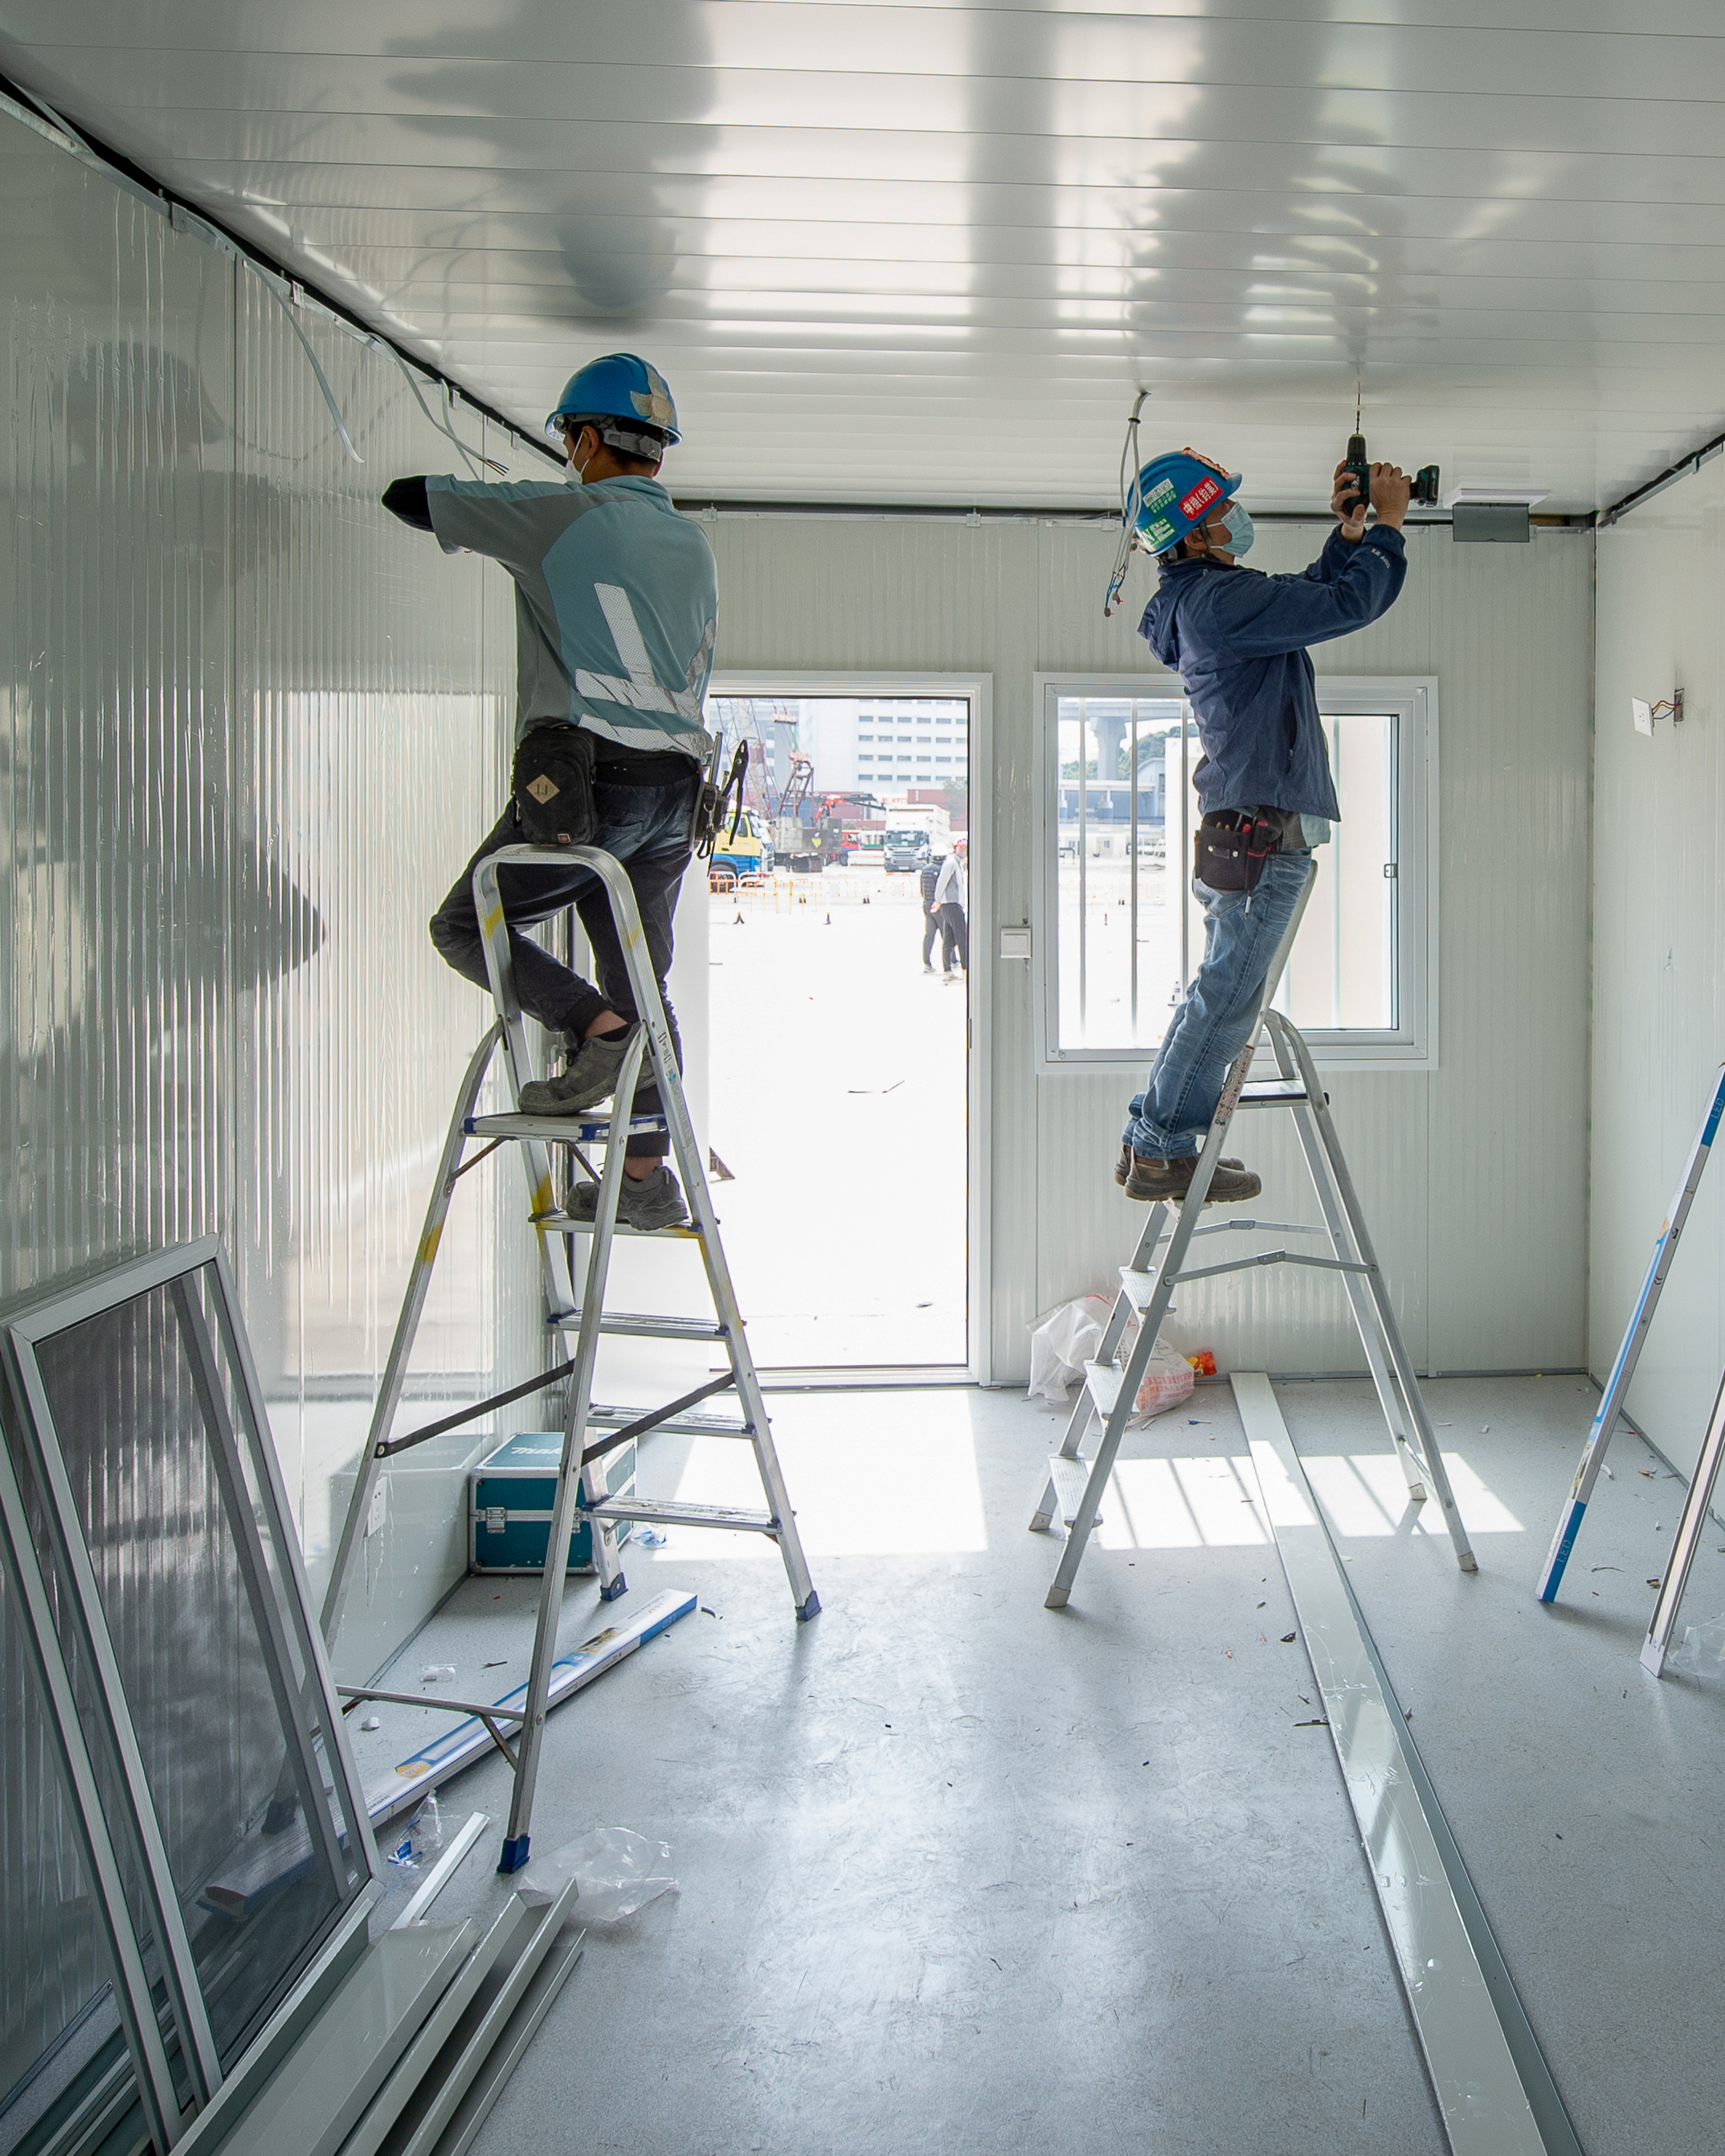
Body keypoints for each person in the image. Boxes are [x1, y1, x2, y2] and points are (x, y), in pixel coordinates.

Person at [382, 353, 716, 1231]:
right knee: (646, 984)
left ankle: (597, 1034)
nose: (568, 452)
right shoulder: (692, 542)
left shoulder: (561, 514)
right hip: (675, 794)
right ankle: (644, 1182)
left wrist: (515, 500)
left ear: (588, 438)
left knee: (463, 925)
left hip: (589, 782)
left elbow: (405, 496)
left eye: (570, 438)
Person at [1117, 446, 1412, 1206]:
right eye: (1219, 512)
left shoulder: (1210, 601)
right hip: (1258, 838)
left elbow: (1308, 596)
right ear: (1190, 535)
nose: (1232, 520)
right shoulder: (1217, 603)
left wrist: (1347, 540)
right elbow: (1346, 605)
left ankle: (1150, 1139)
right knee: (1224, 997)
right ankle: (1161, 1148)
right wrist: (1387, 526)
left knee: (1219, 992)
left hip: (1247, 832)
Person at [934, 835, 968, 977]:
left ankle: (947, 968)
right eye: (961, 848)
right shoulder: (951, 863)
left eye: (965, 848)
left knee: (948, 939)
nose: (963, 851)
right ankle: (966, 967)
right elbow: (941, 883)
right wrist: (937, 900)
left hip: (951, 906)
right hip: (951, 905)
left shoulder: (958, 864)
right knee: (962, 936)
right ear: (955, 848)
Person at [918, 850, 942, 970]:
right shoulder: (941, 870)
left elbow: (921, 889)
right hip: (939, 906)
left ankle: (927, 963)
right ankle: (951, 961)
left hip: (927, 905)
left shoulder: (925, 869)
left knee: (929, 935)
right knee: (947, 935)